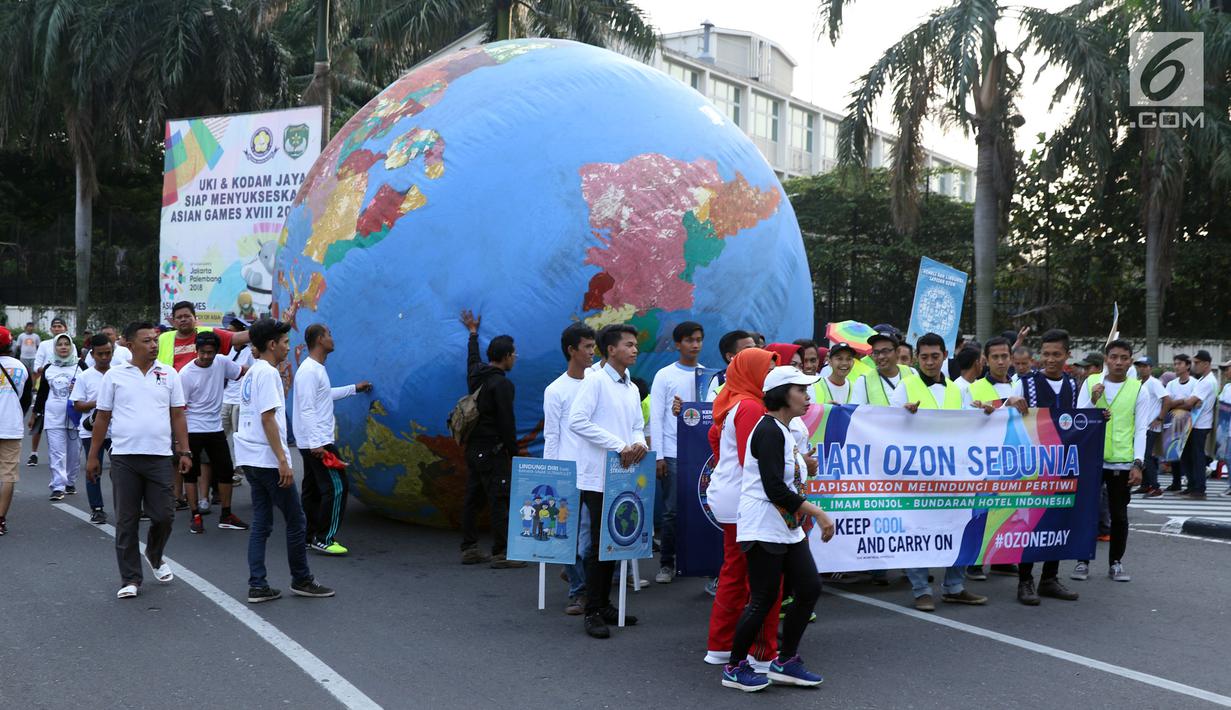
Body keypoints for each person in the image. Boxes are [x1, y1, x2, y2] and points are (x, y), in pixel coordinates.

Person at [720, 366, 835, 692]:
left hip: (786, 526)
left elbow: (789, 482)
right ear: (783, 393)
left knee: (810, 588)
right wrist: (818, 513)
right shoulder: (768, 430)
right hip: (762, 526)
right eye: (801, 390)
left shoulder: (784, 430)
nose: (807, 396)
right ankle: (734, 667)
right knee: (763, 599)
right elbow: (774, 488)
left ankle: (786, 661)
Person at [86, 322, 190, 599]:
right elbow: (103, 417)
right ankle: (130, 578)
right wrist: (93, 455)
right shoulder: (115, 376)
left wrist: (185, 451)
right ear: (129, 346)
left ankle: (154, 554)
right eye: (147, 341)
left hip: (159, 458)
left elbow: (178, 414)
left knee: (164, 516)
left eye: (155, 340)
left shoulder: (169, 374)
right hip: (124, 458)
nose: (154, 345)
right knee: (126, 520)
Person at [233, 318, 334, 603]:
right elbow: (267, 419)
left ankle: (258, 584)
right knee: (296, 520)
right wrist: (283, 460)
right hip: (266, 459)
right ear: (271, 344)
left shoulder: (255, 371)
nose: (288, 348)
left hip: (250, 457)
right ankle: (301, 579)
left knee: (263, 522)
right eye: (286, 342)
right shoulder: (267, 373)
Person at [890, 333, 987, 610]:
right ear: (917, 358)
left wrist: (986, 413)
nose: (930, 362)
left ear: (945, 356)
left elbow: (971, 425)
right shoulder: (905, 387)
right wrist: (901, 414)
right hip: (917, 476)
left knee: (959, 526)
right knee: (917, 530)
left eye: (935, 356)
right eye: (924, 357)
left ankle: (954, 586)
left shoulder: (958, 390)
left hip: (954, 474)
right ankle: (921, 589)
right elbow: (883, 426)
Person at [704, 347, 783, 672]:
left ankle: (722, 644)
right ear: (752, 372)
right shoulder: (750, 406)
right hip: (744, 498)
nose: (773, 378)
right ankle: (757, 652)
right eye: (768, 370)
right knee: (759, 578)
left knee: (735, 571)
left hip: (730, 495)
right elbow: (753, 463)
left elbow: (719, 443)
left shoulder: (734, 399)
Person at [567, 324, 648, 639]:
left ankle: (603, 604)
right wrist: (618, 444)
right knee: (600, 544)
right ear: (610, 349)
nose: (634, 349)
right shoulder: (595, 381)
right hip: (598, 476)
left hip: (623, 474)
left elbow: (637, 424)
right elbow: (577, 421)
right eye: (628, 344)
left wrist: (638, 442)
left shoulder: (630, 386)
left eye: (635, 344)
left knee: (615, 541)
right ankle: (592, 610)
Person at [1072, 339, 1149, 583]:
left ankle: (1116, 563)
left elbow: (1141, 429)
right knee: (1087, 512)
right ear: (1106, 359)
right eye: (1114, 357)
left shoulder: (1139, 389)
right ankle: (1082, 561)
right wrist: (1092, 401)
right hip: (1092, 460)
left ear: (1130, 361)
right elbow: (1077, 418)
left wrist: (1138, 463)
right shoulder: (1091, 383)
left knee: (1119, 516)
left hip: (1122, 463)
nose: (1118, 362)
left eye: (1123, 358)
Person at [292, 323, 372, 555]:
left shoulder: (315, 369)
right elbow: (307, 409)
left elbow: (324, 395)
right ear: (319, 340)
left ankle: (308, 535)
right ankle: (324, 538)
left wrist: (354, 389)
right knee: (337, 487)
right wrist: (317, 443)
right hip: (318, 442)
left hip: (312, 441)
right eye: (329, 335)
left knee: (312, 489)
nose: (332, 339)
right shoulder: (309, 371)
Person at [459, 310, 525, 569]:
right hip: (493, 450)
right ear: (507, 356)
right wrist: (514, 451)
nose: (515, 358)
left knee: (473, 498)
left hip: (473, 448)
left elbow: (472, 357)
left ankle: (469, 548)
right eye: (514, 354)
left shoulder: (476, 373)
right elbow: (507, 423)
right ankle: (502, 552)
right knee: (499, 499)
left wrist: (473, 333)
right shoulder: (503, 385)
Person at [963, 336, 1026, 580]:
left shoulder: (1018, 385)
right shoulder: (973, 387)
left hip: (1013, 458)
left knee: (1007, 510)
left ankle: (1001, 558)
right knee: (981, 512)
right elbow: (969, 416)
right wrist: (1002, 404)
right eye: (995, 357)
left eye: (1004, 356)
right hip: (984, 460)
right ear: (985, 360)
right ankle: (974, 561)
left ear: (1011, 358)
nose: (1001, 361)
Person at [544, 322, 597, 614]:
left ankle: (583, 584)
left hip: (596, 471)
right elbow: (552, 434)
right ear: (571, 350)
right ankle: (579, 590)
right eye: (587, 347)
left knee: (587, 536)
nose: (592, 352)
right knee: (567, 535)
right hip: (568, 472)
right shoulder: (556, 390)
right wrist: (553, 472)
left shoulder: (599, 381)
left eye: (593, 346)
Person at [649, 321, 705, 584]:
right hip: (671, 452)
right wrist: (658, 455)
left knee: (701, 508)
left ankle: (694, 559)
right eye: (689, 340)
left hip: (701, 455)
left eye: (698, 339)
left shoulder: (708, 375)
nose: (695, 345)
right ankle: (666, 563)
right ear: (677, 344)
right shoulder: (664, 375)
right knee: (671, 511)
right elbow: (657, 419)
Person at [180, 331, 250, 535]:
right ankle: (195, 515)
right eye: (202, 352)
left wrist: (265, 370)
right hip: (193, 429)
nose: (206, 357)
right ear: (196, 350)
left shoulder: (221, 362)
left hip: (215, 427)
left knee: (226, 471)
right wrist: (180, 442)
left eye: (210, 352)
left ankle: (226, 515)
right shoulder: (185, 374)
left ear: (217, 351)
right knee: (191, 474)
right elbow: (179, 410)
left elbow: (242, 371)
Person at [71, 334, 115, 524]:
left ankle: (128, 507)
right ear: (92, 354)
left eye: (108, 353)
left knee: (123, 471)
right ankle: (97, 509)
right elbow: (77, 405)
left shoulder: (120, 373)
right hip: (90, 431)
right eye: (101, 354)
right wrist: (98, 403)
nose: (105, 357)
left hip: (118, 431)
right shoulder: (85, 376)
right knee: (93, 470)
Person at [0, 327, 33, 536]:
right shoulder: (20, 367)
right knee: (8, 475)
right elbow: (26, 398)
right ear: (10, 344)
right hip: (11, 427)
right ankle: (0, 519)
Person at [158, 301, 251, 371]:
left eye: (187, 316)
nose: (183, 319)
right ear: (173, 322)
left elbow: (235, 338)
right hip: (172, 393)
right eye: (179, 317)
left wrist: (261, 330)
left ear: (195, 318)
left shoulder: (208, 333)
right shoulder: (163, 338)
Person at [43, 333, 81, 501]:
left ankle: (70, 481)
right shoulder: (49, 368)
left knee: (74, 454)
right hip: (53, 417)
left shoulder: (81, 366)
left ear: (71, 346)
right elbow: (43, 393)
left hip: (74, 417)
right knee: (57, 453)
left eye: (66, 344)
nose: (63, 347)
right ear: (54, 347)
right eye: (60, 344)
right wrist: (36, 415)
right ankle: (58, 486)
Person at [27, 316, 69, 467]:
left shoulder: (69, 344)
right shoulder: (45, 345)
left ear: (66, 328)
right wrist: (50, 370)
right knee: (39, 418)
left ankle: (63, 455)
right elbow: (37, 366)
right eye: (55, 326)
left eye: (60, 326)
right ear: (51, 329)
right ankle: (34, 453)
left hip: (65, 387)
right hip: (48, 384)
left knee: (66, 424)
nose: (57, 329)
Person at [1132, 356, 1169, 498]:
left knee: (1146, 456)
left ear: (1150, 368)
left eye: (1145, 366)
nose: (1142, 368)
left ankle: (1155, 487)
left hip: (1151, 426)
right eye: (1140, 366)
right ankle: (1146, 485)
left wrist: (1160, 418)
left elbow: (1167, 399)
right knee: (1143, 456)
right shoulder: (1138, 383)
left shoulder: (1154, 383)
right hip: (1142, 425)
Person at [1165, 354, 1202, 494]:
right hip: (1174, 422)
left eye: (1179, 363)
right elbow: (1167, 403)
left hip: (1190, 423)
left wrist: (1179, 403)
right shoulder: (1171, 384)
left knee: (1189, 455)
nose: (1176, 366)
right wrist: (1183, 402)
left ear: (1187, 365)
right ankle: (1176, 482)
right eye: (1175, 364)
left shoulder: (1195, 383)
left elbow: (1196, 404)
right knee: (1174, 454)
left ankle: (1192, 484)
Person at [1184, 350, 1219, 498]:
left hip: (1200, 425)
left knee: (1197, 458)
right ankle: (1193, 486)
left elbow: (1190, 402)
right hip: (1196, 423)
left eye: (1197, 363)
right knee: (1190, 456)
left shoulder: (1207, 382)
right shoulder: (1203, 379)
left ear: (1206, 364)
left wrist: (1184, 402)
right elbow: (1193, 402)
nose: (1194, 366)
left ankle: (1199, 489)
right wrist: (1190, 401)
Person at [851, 332, 905, 405]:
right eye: (876, 352)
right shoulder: (864, 380)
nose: (880, 357)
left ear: (898, 352)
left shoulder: (912, 372)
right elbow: (855, 412)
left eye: (885, 351)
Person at [706, 330, 757, 401]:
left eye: (755, 348)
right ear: (730, 357)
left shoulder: (765, 375)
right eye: (748, 349)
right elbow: (709, 409)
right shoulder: (720, 380)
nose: (756, 352)